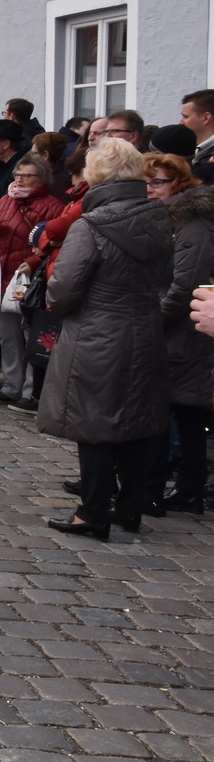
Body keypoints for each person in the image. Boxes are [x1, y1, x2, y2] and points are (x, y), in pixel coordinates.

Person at [39, 139, 171, 540]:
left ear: (96, 174)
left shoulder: (91, 225)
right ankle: (128, 508)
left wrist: (51, 289)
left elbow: (63, 291)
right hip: (146, 328)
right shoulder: (161, 218)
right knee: (136, 420)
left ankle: (92, 512)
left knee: (93, 422)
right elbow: (167, 278)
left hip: (98, 332)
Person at [0, 154, 64, 409]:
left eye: (26, 176)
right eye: (17, 175)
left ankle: (30, 390)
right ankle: (11, 384)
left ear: (41, 179)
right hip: (2, 276)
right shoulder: (6, 201)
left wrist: (33, 264)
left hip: (29, 279)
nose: (19, 180)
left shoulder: (53, 207)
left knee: (30, 335)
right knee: (7, 335)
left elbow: (54, 244)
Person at [159, 179, 214, 514]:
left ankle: (187, 486)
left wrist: (155, 323)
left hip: (190, 333)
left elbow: (185, 285)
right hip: (192, 331)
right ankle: (188, 485)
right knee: (188, 412)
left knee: (184, 410)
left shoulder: (196, 226)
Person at [182, 90, 214, 183]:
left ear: (206, 118)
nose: (181, 122)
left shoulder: (209, 155)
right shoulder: (197, 150)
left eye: (185, 117)